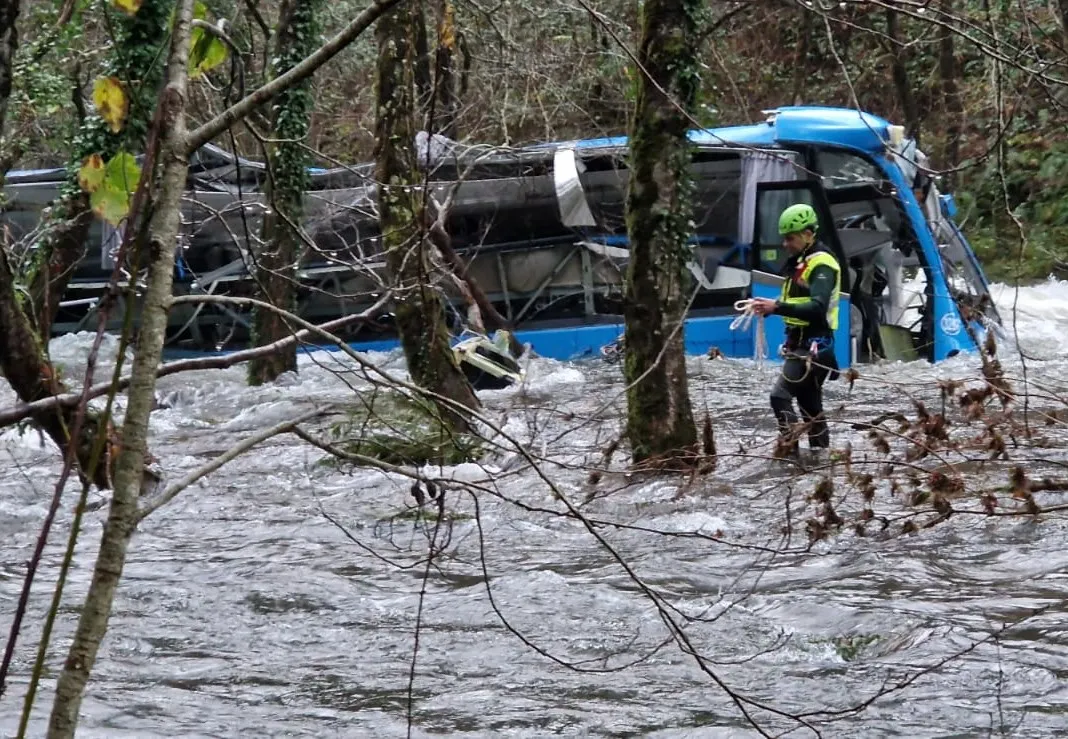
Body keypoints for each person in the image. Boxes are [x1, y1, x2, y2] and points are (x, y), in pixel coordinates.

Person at [750, 203, 842, 461]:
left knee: (779, 397)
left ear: (808, 234)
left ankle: (789, 457)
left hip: (814, 347)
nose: (785, 244)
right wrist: (768, 308)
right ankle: (820, 464)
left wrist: (776, 306)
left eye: (790, 238)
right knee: (811, 410)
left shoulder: (822, 264)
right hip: (803, 345)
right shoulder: (802, 261)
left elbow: (817, 307)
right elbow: (799, 303)